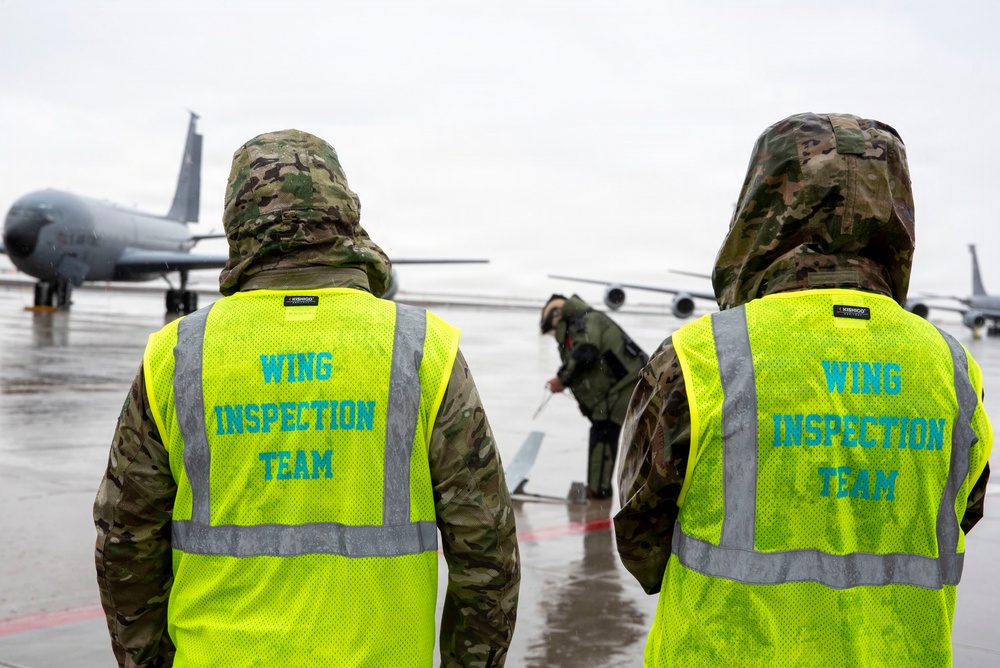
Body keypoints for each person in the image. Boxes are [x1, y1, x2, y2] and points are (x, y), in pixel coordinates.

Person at [94, 129, 520, 668]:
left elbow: (125, 544)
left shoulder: (177, 355)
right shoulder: (422, 350)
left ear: (237, 221)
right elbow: (487, 550)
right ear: (344, 211)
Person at [614, 113, 993, 667]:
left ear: (765, 205)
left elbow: (640, 540)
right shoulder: (951, 369)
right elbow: (963, 511)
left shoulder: (701, 357)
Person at [541, 293, 648, 499]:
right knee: (604, 429)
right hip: (623, 386)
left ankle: (599, 492)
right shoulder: (584, 320)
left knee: (604, 430)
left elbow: (586, 353)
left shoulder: (587, 320)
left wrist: (561, 379)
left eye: (554, 329)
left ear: (559, 318)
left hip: (627, 386)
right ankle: (600, 489)